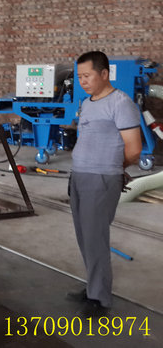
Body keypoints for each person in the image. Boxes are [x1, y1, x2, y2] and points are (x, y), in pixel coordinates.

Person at [67, 51, 141, 317]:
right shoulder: (87, 103)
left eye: (87, 76)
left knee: (95, 238)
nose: (83, 81)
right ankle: (92, 286)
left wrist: (113, 169)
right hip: (79, 175)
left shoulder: (120, 103)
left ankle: (100, 298)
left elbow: (134, 149)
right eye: (80, 77)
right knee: (84, 237)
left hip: (101, 179)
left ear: (104, 74)